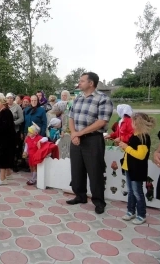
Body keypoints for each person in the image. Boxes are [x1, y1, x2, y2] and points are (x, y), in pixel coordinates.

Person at [66, 72, 113, 215]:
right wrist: (74, 133)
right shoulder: (78, 98)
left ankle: (98, 201)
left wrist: (79, 133)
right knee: (77, 170)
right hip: (76, 138)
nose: (79, 83)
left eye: (82, 81)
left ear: (91, 83)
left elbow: (102, 121)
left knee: (95, 171)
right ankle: (80, 196)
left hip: (93, 140)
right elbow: (71, 117)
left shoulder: (103, 99)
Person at [118, 113, 155, 225]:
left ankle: (141, 214)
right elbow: (130, 151)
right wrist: (124, 146)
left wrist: (127, 148)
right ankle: (131, 211)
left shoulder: (143, 138)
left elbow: (141, 155)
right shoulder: (134, 136)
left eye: (133, 122)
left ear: (138, 123)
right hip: (130, 168)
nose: (131, 124)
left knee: (137, 192)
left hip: (137, 170)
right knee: (131, 191)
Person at [6, 92, 24, 171]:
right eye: (8, 98)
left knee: (14, 147)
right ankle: (6, 164)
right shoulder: (4, 107)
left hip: (14, 130)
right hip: (5, 131)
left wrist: (13, 123)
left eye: (11, 98)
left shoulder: (17, 107)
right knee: (6, 148)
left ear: (13, 99)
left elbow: (21, 118)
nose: (9, 99)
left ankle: (14, 164)